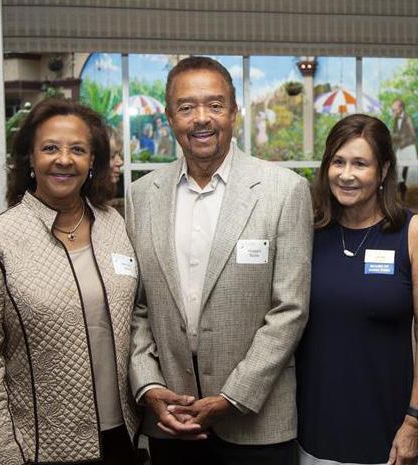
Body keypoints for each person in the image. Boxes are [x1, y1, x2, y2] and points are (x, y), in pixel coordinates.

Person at [126, 56, 313, 465]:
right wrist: (149, 385)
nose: (201, 119)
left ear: (234, 112)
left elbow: (290, 309)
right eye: (186, 107)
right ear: (169, 117)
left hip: (257, 422)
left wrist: (233, 396)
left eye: (214, 105)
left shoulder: (284, 191)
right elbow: (136, 307)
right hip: (172, 416)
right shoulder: (142, 197)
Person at [0, 98, 140, 465]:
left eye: (78, 149)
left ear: (92, 160)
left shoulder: (115, 226)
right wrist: (2, 457)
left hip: (125, 435)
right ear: (30, 157)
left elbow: (137, 319)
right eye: (50, 148)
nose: (64, 159)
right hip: (40, 448)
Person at [296, 114, 418, 465]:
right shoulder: (308, 229)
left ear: (384, 170)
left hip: (386, 429)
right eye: (338, 162)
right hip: (313, 425)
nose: (346, 174)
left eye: (360, 164)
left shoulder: (414, 232)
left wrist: (414, 421)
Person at [391, 99, 418, 189]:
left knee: (411, 169)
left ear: (401, 108)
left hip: (409, 147)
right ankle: (400, 186)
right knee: (397, 167)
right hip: (401, 147)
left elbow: (413, 135)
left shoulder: (408, 118)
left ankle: (411, 189)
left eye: (394, 109)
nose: (393, 111)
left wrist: (401, 139)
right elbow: (395, 134)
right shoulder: (396, 119)